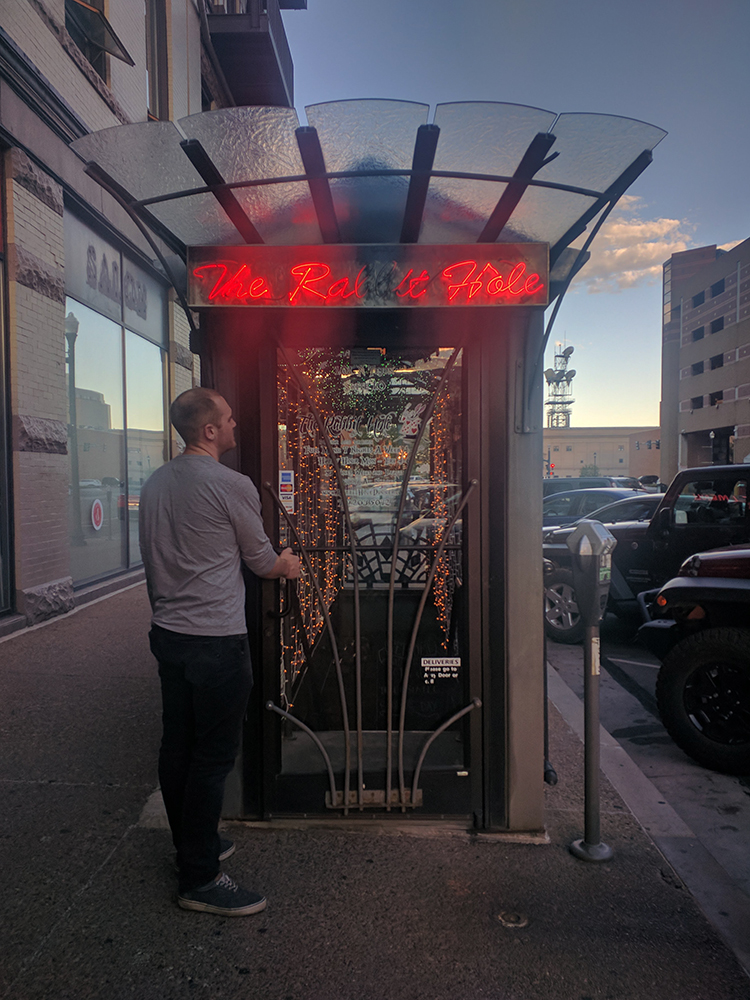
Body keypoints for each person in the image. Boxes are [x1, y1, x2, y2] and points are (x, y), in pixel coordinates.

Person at [139, 387, 300, 917]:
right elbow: (261, 562)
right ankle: (200, 878)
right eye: (228, 419)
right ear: (208, 430)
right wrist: (290, 563)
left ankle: (192, 845)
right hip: (216, 642)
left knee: (176, 747)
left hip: (169, 634)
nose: (235, 425)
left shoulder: (156, 482)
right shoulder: (231, 485)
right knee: (210, 760)